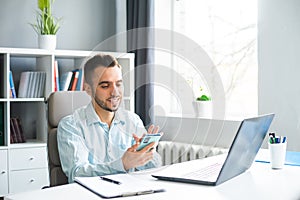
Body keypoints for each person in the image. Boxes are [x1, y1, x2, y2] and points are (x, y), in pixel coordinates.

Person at [57, 54, 162, 183]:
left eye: (118, 84)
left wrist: (149, 152)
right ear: (88, 89)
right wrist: (122, 164)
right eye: (105, 86)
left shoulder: (133, 121)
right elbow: (77, 174)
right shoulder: (71, 125)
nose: (115, 92)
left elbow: (151, 170)